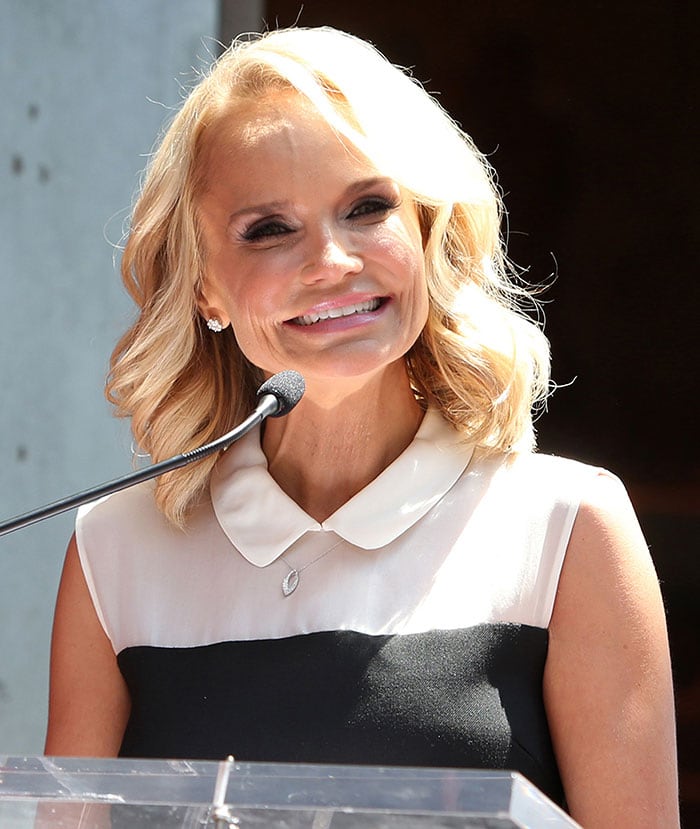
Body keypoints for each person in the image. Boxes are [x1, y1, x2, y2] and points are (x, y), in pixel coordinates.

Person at [43, 26, 679, 827]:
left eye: (368, 207)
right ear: (204, 287)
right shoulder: (113, 550)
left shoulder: (567, 528)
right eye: (269, 228)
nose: (333, 260)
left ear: (426, 231)